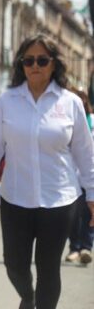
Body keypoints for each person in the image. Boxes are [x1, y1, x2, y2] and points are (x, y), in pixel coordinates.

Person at [0, 34, 94, 309]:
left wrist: (91, 193)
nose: (35, 65)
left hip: (60, 199)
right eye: (29, 60)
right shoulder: (7, 101)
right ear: (21, 64)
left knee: (49, 268)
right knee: (15, 264)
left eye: (42, 60)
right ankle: (27, 297)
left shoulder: (70, 103)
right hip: (15, 197)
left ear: (53, 64)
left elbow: (84, 152)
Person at [64, 88, 94, 265]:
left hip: (90, 174)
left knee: (90, 212)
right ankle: (74, 247)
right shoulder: (65, 123)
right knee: (73, 214)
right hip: (70, 175)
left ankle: (86, 248)